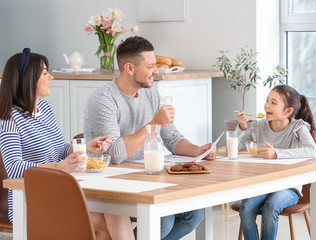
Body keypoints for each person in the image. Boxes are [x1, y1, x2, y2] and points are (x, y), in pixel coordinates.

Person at [84, 36, 216, 239]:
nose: (156, 71)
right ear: (130, 68)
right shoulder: (103, 100)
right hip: (112, 182)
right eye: (151, 66)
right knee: (164, 220)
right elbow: (115, 154)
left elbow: (172, 138)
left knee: (194, 214)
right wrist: (153, 124)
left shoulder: (152, 94)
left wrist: (198, 150)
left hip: (147, 177)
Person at [0, 48, 135, 240]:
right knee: (102, 225)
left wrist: (85, 146)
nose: (51, 77)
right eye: (45, 73)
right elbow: (13, 168)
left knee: (115, 210)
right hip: (31, 201)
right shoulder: (9, 119)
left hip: (61, 191)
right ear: (28, 78)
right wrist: (59, 167)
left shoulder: (44, 108)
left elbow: (58, 148)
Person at [235, 84, 316, 240]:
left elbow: (311, 151)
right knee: (246, 207)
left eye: (274, 102)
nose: (267, 105)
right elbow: (237, 147)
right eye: (267, 100)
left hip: (289, 185)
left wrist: (277, 154)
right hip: (263, 183)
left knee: (271, 206)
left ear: (288, 111)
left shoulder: (298, 127)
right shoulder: (259, 126)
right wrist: (242, 127)